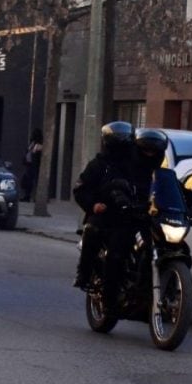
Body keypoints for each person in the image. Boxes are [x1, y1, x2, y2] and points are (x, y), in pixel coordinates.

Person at [72, 121, 135, 291]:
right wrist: (94, 205)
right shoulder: (98, 165)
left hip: (132, 214)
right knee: (93, 230)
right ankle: (84, 273)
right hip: (106, 214)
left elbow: (150, 185)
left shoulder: (136, 165)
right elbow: (80, 189)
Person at [20, 128, 43, 201]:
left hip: (34, 165)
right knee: (27, 181)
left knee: (34, 181)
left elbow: (37, 154)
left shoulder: (39, 144)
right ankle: (27, 196)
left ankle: (36, 197)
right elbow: (28, 151)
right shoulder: (32, 143)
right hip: (28, 164)